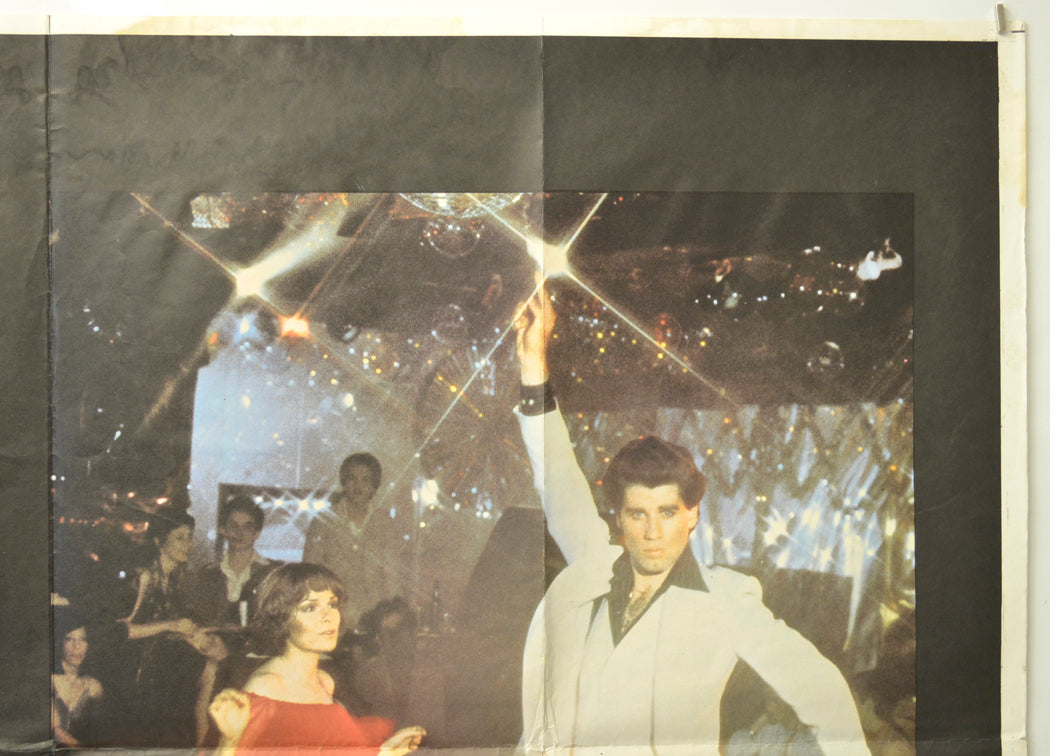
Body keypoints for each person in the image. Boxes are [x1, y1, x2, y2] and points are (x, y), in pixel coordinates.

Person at [512, 287, 869, 755]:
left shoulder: (727, 599)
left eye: (667, 512)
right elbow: (558, 477)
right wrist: (533, 364)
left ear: (692, 514)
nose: (652, 532)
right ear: (621, 517)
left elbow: (821, 689)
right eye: (638, 514)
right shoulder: (593, 566)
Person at [208, 562, 425, 756]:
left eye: (332, 604)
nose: (328, 617)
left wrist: (384, 752)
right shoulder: (267, 686)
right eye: (310, 608)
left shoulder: (324, 680)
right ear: (281, 620)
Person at [122, 508, 227, 746]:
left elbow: (179, 627)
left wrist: (200, 637)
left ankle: (200, 745)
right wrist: (171, 625)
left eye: (190, 537)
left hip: (164, 657)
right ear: (159, 541)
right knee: (205, 671)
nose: (189, 545)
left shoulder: (178, 579)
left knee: (214, 663)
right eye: (180, 538)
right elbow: (123, 631)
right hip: (138, 662)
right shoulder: (143, 577)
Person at [303, 453, 384, 630]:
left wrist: (389, 614)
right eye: (352, 478)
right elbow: (310, 572)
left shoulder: (385, 524)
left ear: (374, 487)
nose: (357, 485)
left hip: (375, 616)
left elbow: (392, 577)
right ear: (344, 482)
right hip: (334, 613)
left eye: (365, 480)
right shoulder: (324, 520)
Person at [191, 495, 279, 629]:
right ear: (223, 530)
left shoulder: (272, 573)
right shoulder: (206, 575)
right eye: (233, 526)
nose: (240, 533)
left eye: (247, 527)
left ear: (257, 533)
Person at [52, 613, 104, 747]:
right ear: (60, 642)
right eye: (70, 639)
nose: (77, 646)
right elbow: (55, 731)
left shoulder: (93, 687)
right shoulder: (50, 681)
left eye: (83, 640)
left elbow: (100, 733)